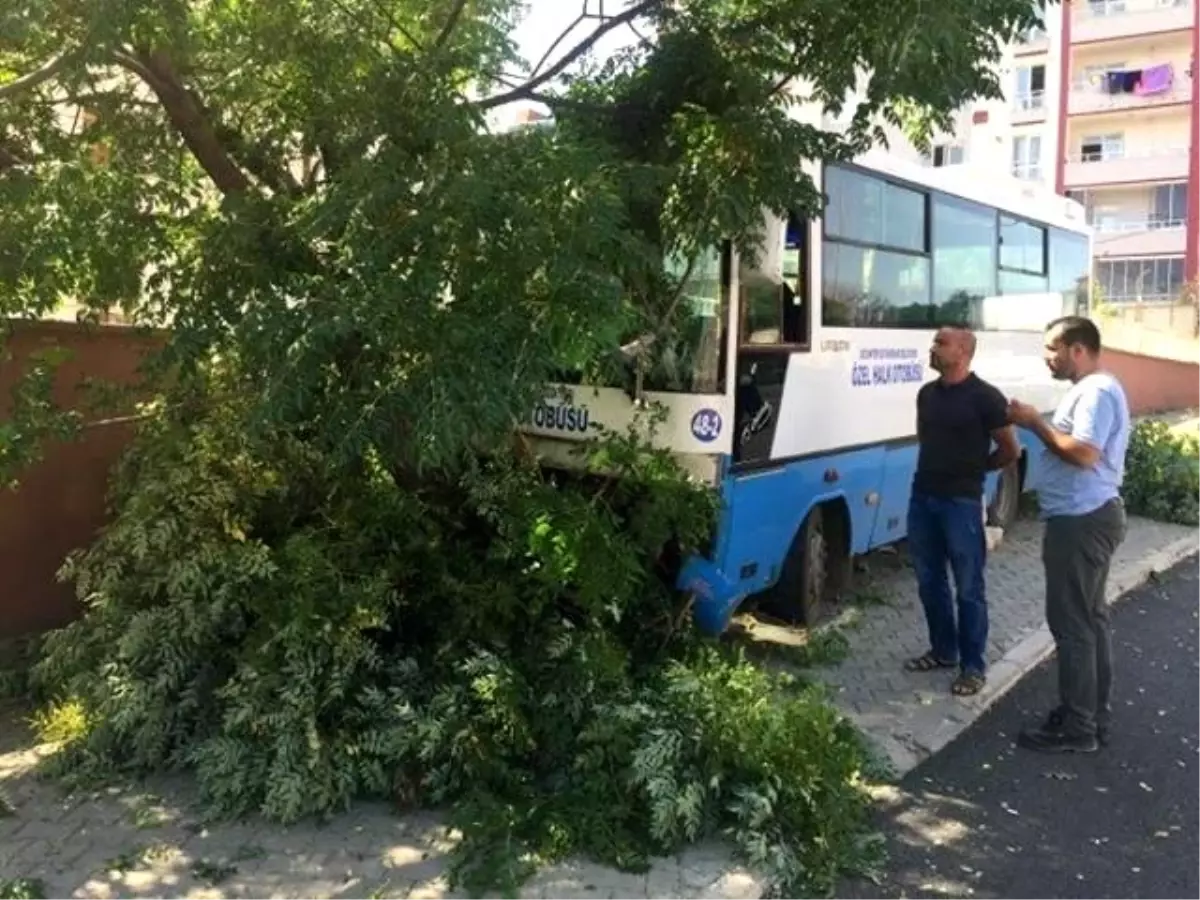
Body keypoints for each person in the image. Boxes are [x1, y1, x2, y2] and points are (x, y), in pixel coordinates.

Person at [1008, 315, 1130, 754]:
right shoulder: (1095, 390)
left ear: (1077, 349)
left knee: (1072, 623)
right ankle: (1090, 714)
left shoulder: (1095, 392)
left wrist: (1033, 423)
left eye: (1051, 350)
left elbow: (1083, 453)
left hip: (1081, 520)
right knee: (1090, 621)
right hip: (1087, 515)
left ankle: (1079, 728)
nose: (1047, 358)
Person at [904, 326, 1020, 697]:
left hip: (961, 503)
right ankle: (943, 651)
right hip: (923, 498)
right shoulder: (926, 395)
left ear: (964, 351)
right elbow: (926, 438)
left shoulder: (986, 398)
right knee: (928, 581)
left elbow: (1009, 450)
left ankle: (973, 667)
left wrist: (976, 470)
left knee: (969, 587)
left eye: (941, 343)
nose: (933, 348)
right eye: (935, 342)